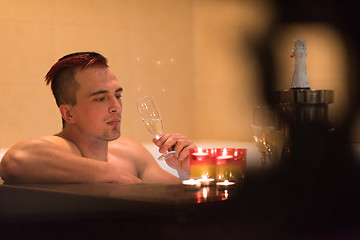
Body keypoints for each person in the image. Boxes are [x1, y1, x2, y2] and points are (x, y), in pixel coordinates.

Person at [0, 52, 196, 184]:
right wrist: (112, 174)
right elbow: (14, 161)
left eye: (117, 96)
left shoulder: (130, 153)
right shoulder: (59, 148)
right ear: (68, 113)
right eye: (101, 98)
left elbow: (178, 207)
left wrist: (187, 172)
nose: (116, 107)